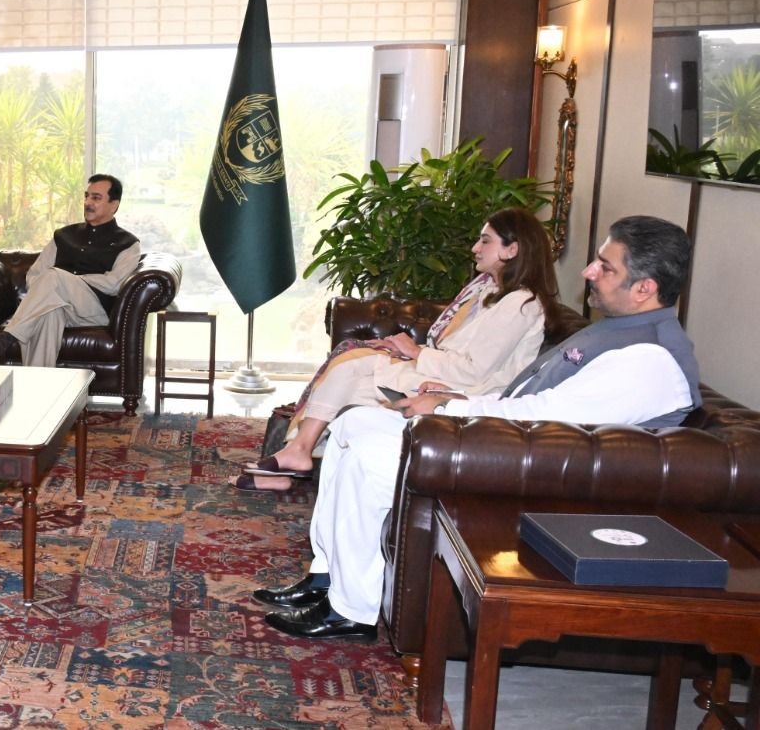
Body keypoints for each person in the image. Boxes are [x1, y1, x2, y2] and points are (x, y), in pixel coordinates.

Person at [255, 215, 699, 640]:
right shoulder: (618, 330)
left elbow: (546, 418)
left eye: (605, 266)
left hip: (521, 464)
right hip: (507, 440)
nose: (588, 271)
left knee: (369, 457)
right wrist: (454, 402)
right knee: (353, 424)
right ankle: (326, 574)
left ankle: (351, 610)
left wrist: (447, 407)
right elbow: (526, 402)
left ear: (644, 288)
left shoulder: (648, 361)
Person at [244, 208, 562, 491]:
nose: (474, 248)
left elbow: (474, 369)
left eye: (485, 241)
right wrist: (407, 349)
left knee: (351, 375)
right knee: (349, 365)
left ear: (512, 250)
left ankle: (297, 456)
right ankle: (298, 455)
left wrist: (415, 353)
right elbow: (453, 348)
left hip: (467, 391)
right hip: (449, 374)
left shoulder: (522, 304)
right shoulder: (490, 291)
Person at [0, 174, 141, 367]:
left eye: (96, 198)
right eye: (86, 196)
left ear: (114, 204)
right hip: (62, 309)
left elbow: (114, 284)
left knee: (54, 277)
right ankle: (39, 389)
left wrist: (70, 281)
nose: (87, 202)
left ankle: (6, 337)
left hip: (94, 312)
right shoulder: (64, 236)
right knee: (48, 314)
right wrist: (48, 292)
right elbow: (36, 275)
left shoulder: (127, 243)